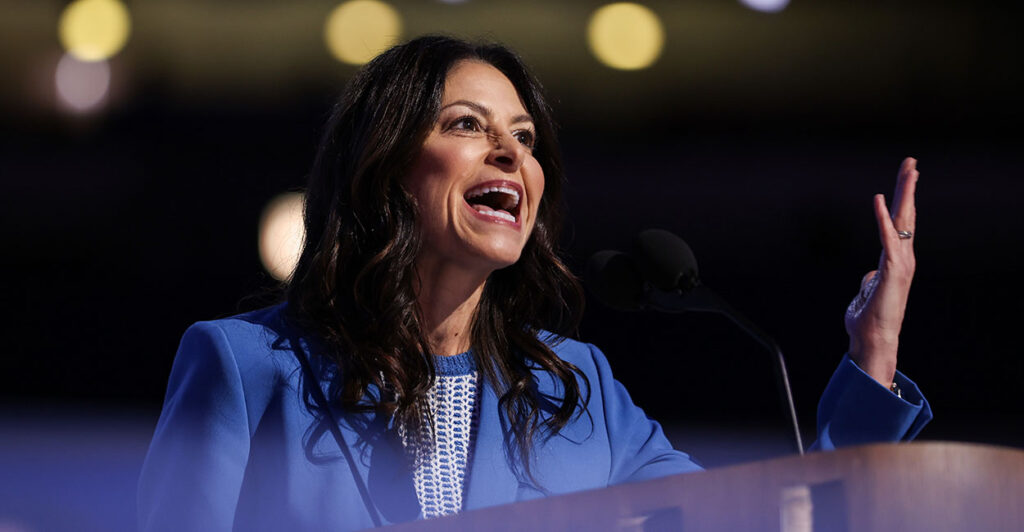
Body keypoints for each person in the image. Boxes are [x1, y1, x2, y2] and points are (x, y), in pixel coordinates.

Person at [137, 35, 931, 531]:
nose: (512, 155)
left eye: (525, 137)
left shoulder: (578, 392)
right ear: (384, 168)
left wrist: (875, 356)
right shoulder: (246, 368)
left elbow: (764, 522)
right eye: (466, 125)